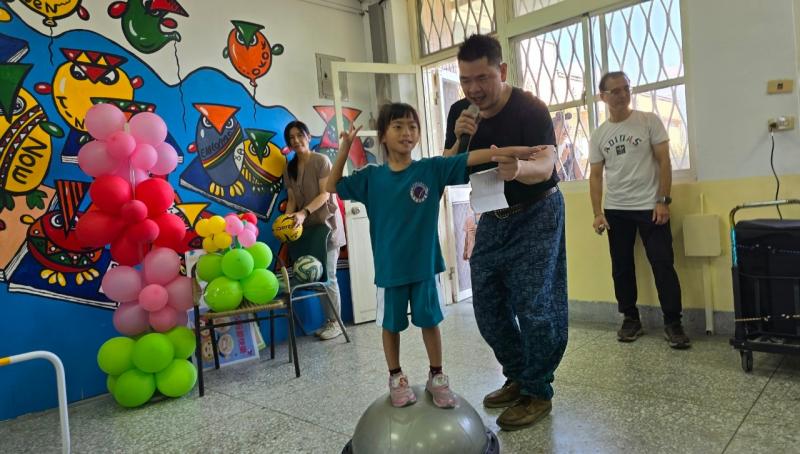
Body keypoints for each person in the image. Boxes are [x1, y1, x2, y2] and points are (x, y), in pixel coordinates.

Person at [328, 102, 542, 409]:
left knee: (430, 323)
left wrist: (517, 151)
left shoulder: (429, 169)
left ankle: (437, 376)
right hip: (390, 271)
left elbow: (472, 157)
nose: (407, 132)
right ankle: (396, 377)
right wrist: (345, 148)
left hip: (425, 268)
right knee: (391, 326)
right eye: (398, 126)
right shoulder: (371, 177)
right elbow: (331, 185)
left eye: (412, 127)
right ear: (383, 135)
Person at [443, 33, 568, 432]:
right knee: (488, 305)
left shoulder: (530, 108)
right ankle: (517, 374)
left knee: (535, 305)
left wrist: (520, 169)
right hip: (492, 215)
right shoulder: (460, 112)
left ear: (501, 70)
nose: (474, 89)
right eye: (465, 80)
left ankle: (537, 390)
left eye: (482, 78)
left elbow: (547, 164)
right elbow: (448, 170)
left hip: (537, 211)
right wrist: (459, 139)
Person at [588, 71, 691, 349]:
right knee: (621, 266)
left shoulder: (648, 121)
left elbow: (664, 162)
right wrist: (597, 213)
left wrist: (663, 200)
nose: (622, 95)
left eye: (626, 88)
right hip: (616, 209)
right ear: (603, 97)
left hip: (650, 207)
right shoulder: (599, 134)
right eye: (615, 91)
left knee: (663, 263)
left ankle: (673, 322)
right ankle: (630, 318)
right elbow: (595, 176)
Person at [283, 120, 346, 341]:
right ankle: (329, 321)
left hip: (327, 226)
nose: (296, 140)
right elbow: (292, 199)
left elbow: (325, 194)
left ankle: (336, 323)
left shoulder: (321, 161)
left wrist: (303, 213)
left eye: (299, 135)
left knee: (329, 276)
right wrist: (286, 221)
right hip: (307, 231)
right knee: (317, 276)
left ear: (308, 137)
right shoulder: (289, 168)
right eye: (291, 138)